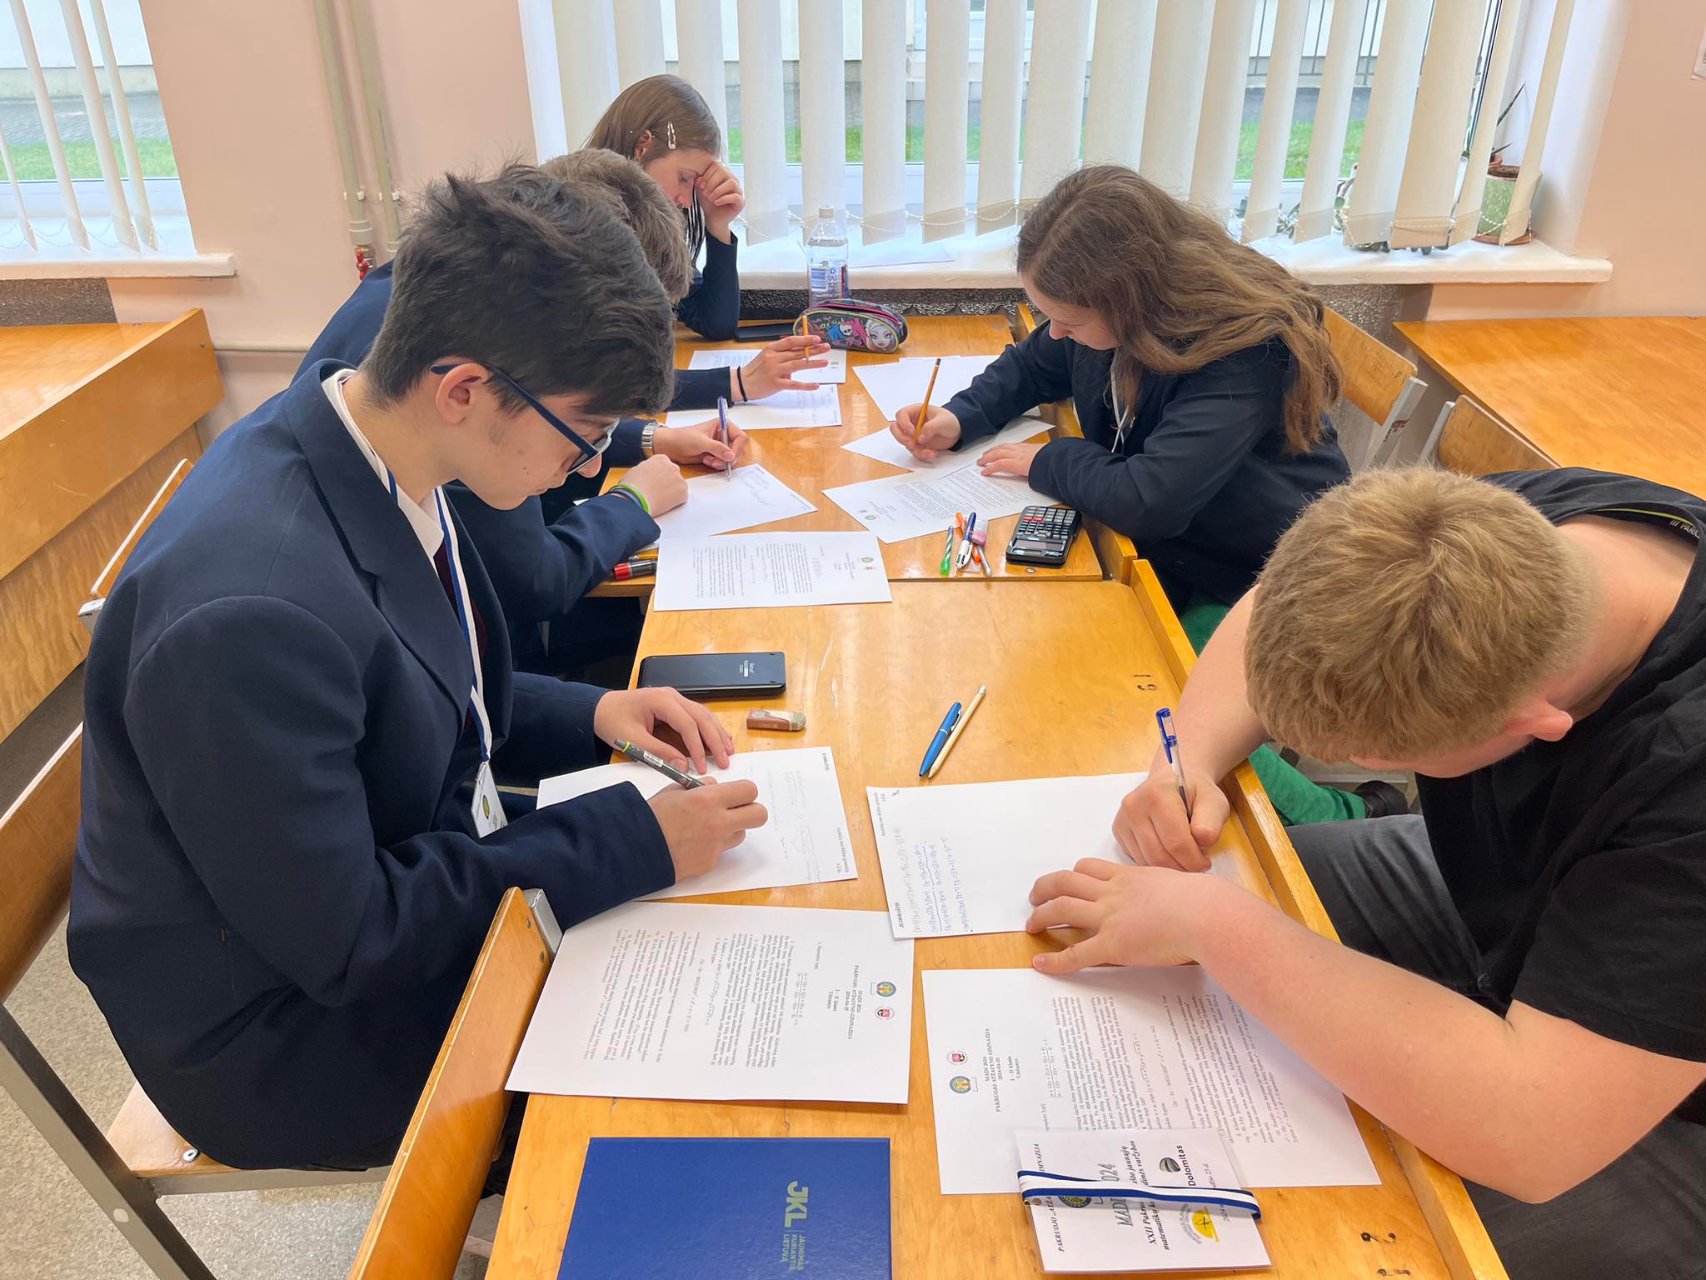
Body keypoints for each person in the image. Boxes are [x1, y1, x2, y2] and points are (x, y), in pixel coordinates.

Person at [69, 165, 769, 1172]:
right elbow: (353, 936)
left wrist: (594, 712)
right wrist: (627, 840)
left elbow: (413, 689)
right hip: (277, 1030)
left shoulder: (371, 441)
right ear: (463, 390)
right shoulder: (248, 616)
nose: (586, 468)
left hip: (373, 878)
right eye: (581, 437)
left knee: (689, 940)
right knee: (680, 1075)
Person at [1028, 467, 1706, 1280]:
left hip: (1665, 1102)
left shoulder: (1685, 775)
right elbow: (1273, 612)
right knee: (1255, 893)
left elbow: (1534, 1136)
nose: (1348, 760)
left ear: (1539, 723)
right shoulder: (1485, 536)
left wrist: (1215, 924)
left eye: (1380, 755)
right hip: (1533, 899)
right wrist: (1188, 762)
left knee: (1318, 1235)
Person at [892, 164, 1379, 822]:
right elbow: (1035, 363)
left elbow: (1150, 500)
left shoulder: (1244, 352)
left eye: (1068, 321)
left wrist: (1053, 458)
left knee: (1169, 704)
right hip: (1180, 555)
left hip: (1264, 573)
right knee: (1082, 671)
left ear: (1130, 300)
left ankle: (1350, 821)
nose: (1055, 332)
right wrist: (960, 417)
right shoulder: (1106, 317)